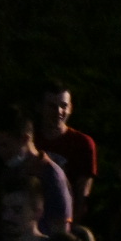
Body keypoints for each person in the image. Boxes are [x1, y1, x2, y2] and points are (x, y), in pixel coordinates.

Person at [0, 109, 73, 236]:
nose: (1, 152)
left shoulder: (51, 175)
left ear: (25, 139)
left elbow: (60, 229)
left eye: (5, 145)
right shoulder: (10, 173)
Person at [36, 86, 97, 226]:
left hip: (63, 218)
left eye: (63, 106)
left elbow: (83, 191)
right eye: (52, 106)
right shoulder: (31, 139)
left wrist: (73, 224)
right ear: (40, 107)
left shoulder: (82, 143)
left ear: (70, 108)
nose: (58, 112)